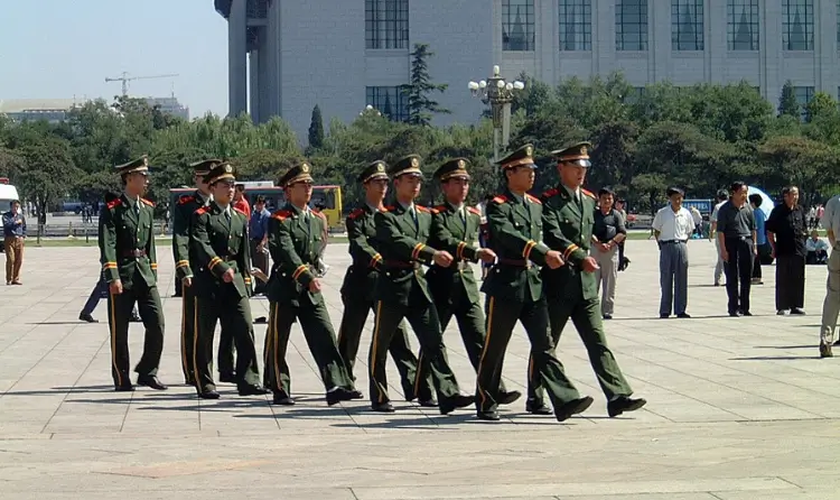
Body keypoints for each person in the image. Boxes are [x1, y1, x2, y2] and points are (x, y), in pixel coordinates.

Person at [476, 144, 592, 422]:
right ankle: (486, 400)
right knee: (495, 347)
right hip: (506, 284)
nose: (531, 176)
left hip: (534, 284)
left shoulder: (536, 205)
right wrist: (542, 253)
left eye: (533, 170)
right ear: (509, 173)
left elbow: (545, 238)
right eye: (525, 170)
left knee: (544, 344)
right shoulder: (497, 206)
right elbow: (507, 237)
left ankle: (564, 398)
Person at [538, 142, 645, 419]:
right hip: (559, 283)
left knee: (598, 342)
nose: (581, 172)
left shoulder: (588, 200)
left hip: (585, 285)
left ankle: (617, 395)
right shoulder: (549, 201)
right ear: (561, 168)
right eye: (575, 166)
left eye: (584, 167)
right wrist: (576, 256)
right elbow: (552, 235)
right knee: (547, 344)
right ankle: (537, 394)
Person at [368, 154, 474, 415]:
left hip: (418, 284)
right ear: (397, 183)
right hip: (393, 286)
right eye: (409, 179)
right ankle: (380, 395)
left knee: (434, 341)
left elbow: (441, 238)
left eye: (418, 180)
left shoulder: (426, 215)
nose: (415, 185)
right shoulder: (385, 216)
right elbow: (398, 242)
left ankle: (446, 393)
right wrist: (430, 254)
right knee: (381, 344)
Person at [335, 160, 433, 405]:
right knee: (351, 335)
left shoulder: (393, 214)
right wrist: (378, 259)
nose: (383, 187)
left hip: (390, 284)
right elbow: (359, 244)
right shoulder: (358, 217)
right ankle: (344, 380)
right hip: (362, 282)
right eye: (377, 182)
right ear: (366, 186)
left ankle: (412, 384)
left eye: (385, 182)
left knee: (398, 338)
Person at [425, 158, 521, 405]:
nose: (463, 187)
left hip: (466, 282)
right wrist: (474, 253)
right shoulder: (436, 215)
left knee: (480, 338)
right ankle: (429, 388)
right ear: (444, 186)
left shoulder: (473, 215)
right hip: (442, 282)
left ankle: (493, 388)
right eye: (457, 182)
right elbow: (445, 240)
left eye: (466, 182)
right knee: (434, 340)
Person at [263, 161, 359, 406]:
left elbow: (317, 250)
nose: (307, 189)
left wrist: (315, 273)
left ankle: (336, 384)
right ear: (288, 191)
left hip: (310, 289)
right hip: (286, 287)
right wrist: (307, 276)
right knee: (278, 341)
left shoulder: (317, 219)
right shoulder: (279, 219)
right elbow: (285, 252)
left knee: (324, 334)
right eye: (301, 185)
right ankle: (279, 387)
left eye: (309, 185)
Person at [190, 162, 267, 399]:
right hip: (211, 282)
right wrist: (219, 267)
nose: (231, 189)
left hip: (236, 282)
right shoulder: (202, 216)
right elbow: (201, 246)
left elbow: (243, 252)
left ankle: (248, 379)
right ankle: (205, 382)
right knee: (205, 334)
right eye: (225, 185)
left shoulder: (240, 216)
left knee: (245, 327)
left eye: (233, 185)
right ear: (213, 188)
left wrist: (246, 279)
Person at [98, 155, 167, 392]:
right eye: (142, 175)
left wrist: (153, 272)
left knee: (157, 323)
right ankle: (121, 376)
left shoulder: (147, 209)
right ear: (129, 178)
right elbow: (107, 245)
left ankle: (148, 371)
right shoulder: (113, 210)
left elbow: (150, 246)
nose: (147, 180)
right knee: (119, 330)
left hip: (144, 274)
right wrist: (113, 276)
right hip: (123, 275)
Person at [171, 158, 219, 385]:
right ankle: (192, 370)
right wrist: (183, 266)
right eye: (204, 179)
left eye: (212, 179)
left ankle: (224, 368)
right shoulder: (186, 205)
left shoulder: (221, 203)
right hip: (196, 270)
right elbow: (181, 237)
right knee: (193, 322)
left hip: (219, 271)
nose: (209, 183)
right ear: (196, 180)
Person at [80, 193, 141, 324]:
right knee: (111, 284)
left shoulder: (110, 214)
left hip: (113, 257)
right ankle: (86, 312)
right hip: (111, 259)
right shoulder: (109, 215)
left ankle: (87, 311)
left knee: (112, 285)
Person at [652, 187, 694, 318]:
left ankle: (680, 309)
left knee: (682, 279)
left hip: (681, 245)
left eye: (680, 198)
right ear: (669, 199)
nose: (678, 200)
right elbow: (657, 231)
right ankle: (665, 310)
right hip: (666, 246)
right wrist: (661, 245)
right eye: (675, 198)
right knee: (666, 279)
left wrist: (682, 243)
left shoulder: (686, 213)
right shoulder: (662, 213)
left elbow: (689, 231)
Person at [716, 181, 757, 317]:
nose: (744, 195)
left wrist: (754, 245)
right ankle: (733, 307)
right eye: (741, 193)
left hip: (747, 242)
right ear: (733, 193)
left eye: (745, 193)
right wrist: (723, 249)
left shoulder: (748, 208)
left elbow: (753, 228)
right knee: (732, 276)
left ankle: (745, 307)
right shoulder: (725, 209)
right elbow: (720, 231)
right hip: (731, 242)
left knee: (746, 276)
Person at [766, 186, 808, 316]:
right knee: (783, 278)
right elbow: (769, 231)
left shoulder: (800, 210)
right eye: (792, 194)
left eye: (796, 194)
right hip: (783, 249)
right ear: (785, 196)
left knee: (798, 278)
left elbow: (805, 228)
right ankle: (782, 306)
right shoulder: (778, 211)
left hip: (799, 249)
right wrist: (773, 247)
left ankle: (796, 305)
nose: (795, 197)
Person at [590, 187, 627, 320]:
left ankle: (607, 310)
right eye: (604, 198)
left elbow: (622, 232)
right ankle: (592, 310)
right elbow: (587, 230)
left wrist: (610, 243)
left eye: (609, 198)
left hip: (611, 250)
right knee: (593, 281)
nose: (607, 201)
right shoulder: (593, 214)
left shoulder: (616, 215)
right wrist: (598, 244)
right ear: (599, 199)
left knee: (610, 281)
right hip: (595, 249)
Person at [818, 194, 840, 357]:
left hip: (838, 250)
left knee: (833, 297)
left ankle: (826, 338)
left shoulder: (834, 202)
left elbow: (829, 232)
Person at [249, 195, 271, 295]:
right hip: (254, 241)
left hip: (262, 241)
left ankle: (265, 286)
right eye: (257, 204)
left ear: (264, 204)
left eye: (261, 204)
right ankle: (258, 286)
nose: (259, 206)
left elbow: (267, 231)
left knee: (263, 265)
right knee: (255, 264)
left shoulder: (266, 215)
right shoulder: (253, 214)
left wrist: (262, 243)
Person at [3, 199, 26, 285]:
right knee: (11, 259)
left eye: (17, 207)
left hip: (19, 239)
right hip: (10, 239)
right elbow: (7, 225)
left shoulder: (21, 216)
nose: (15, 208)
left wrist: (23, 235)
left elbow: (24, 227)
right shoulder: (6, 216)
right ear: (11, 207)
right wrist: (15, 222)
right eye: (14, 206)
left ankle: (15, 278)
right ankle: (9, 278)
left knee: (19, 260)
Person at [709, 191, 728, 286]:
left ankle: (722, 278)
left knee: (721, 256)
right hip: (730, 234)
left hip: (720, 234)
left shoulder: (718, 207)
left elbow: (714, 222)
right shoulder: (730, 205)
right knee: (723, 257)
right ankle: (718, 278)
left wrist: (710, 233)